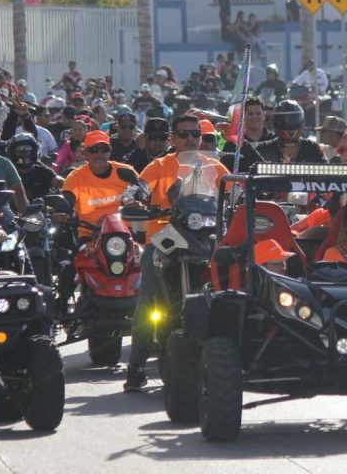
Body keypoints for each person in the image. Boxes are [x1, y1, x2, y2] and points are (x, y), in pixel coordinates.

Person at [124, 115, 226, 392]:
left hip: (207, 234)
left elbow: (235, 192)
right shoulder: (158, 166)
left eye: (197, 134)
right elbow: (135, 189)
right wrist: (132, 198)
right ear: (173, 137)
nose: (191, 139)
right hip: (168, 233)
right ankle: (136, 367)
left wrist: (241, 197)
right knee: (147, 300)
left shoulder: (215, 167)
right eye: (184, 134)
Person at [54, 130, 137, 310]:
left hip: (127, 236)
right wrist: (61, 211)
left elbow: (140, 193)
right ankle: (60, 308)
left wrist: (137, 202)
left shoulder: (125, 172)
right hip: (90, 236)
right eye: (93, 150)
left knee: (151, 262)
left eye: (103, 149)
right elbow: (66, 200)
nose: (99, 154)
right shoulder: (76, 177)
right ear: (85, 153)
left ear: (110, 151)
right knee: (70, 266)